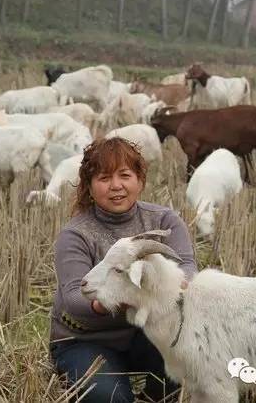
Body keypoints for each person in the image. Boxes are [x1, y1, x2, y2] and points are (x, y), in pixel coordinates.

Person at [49, 137, 198, 402]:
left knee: (190, 376)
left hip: (150, 332)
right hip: (88, 339)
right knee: (110, 398)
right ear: (89, 186)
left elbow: (187, 269)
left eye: (125, 175)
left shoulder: (164, 221)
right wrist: (115, 296)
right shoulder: (75, 235)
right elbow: (74, 298)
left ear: (140, 180)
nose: (116, 186)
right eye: (104, 178)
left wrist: (174, 285)